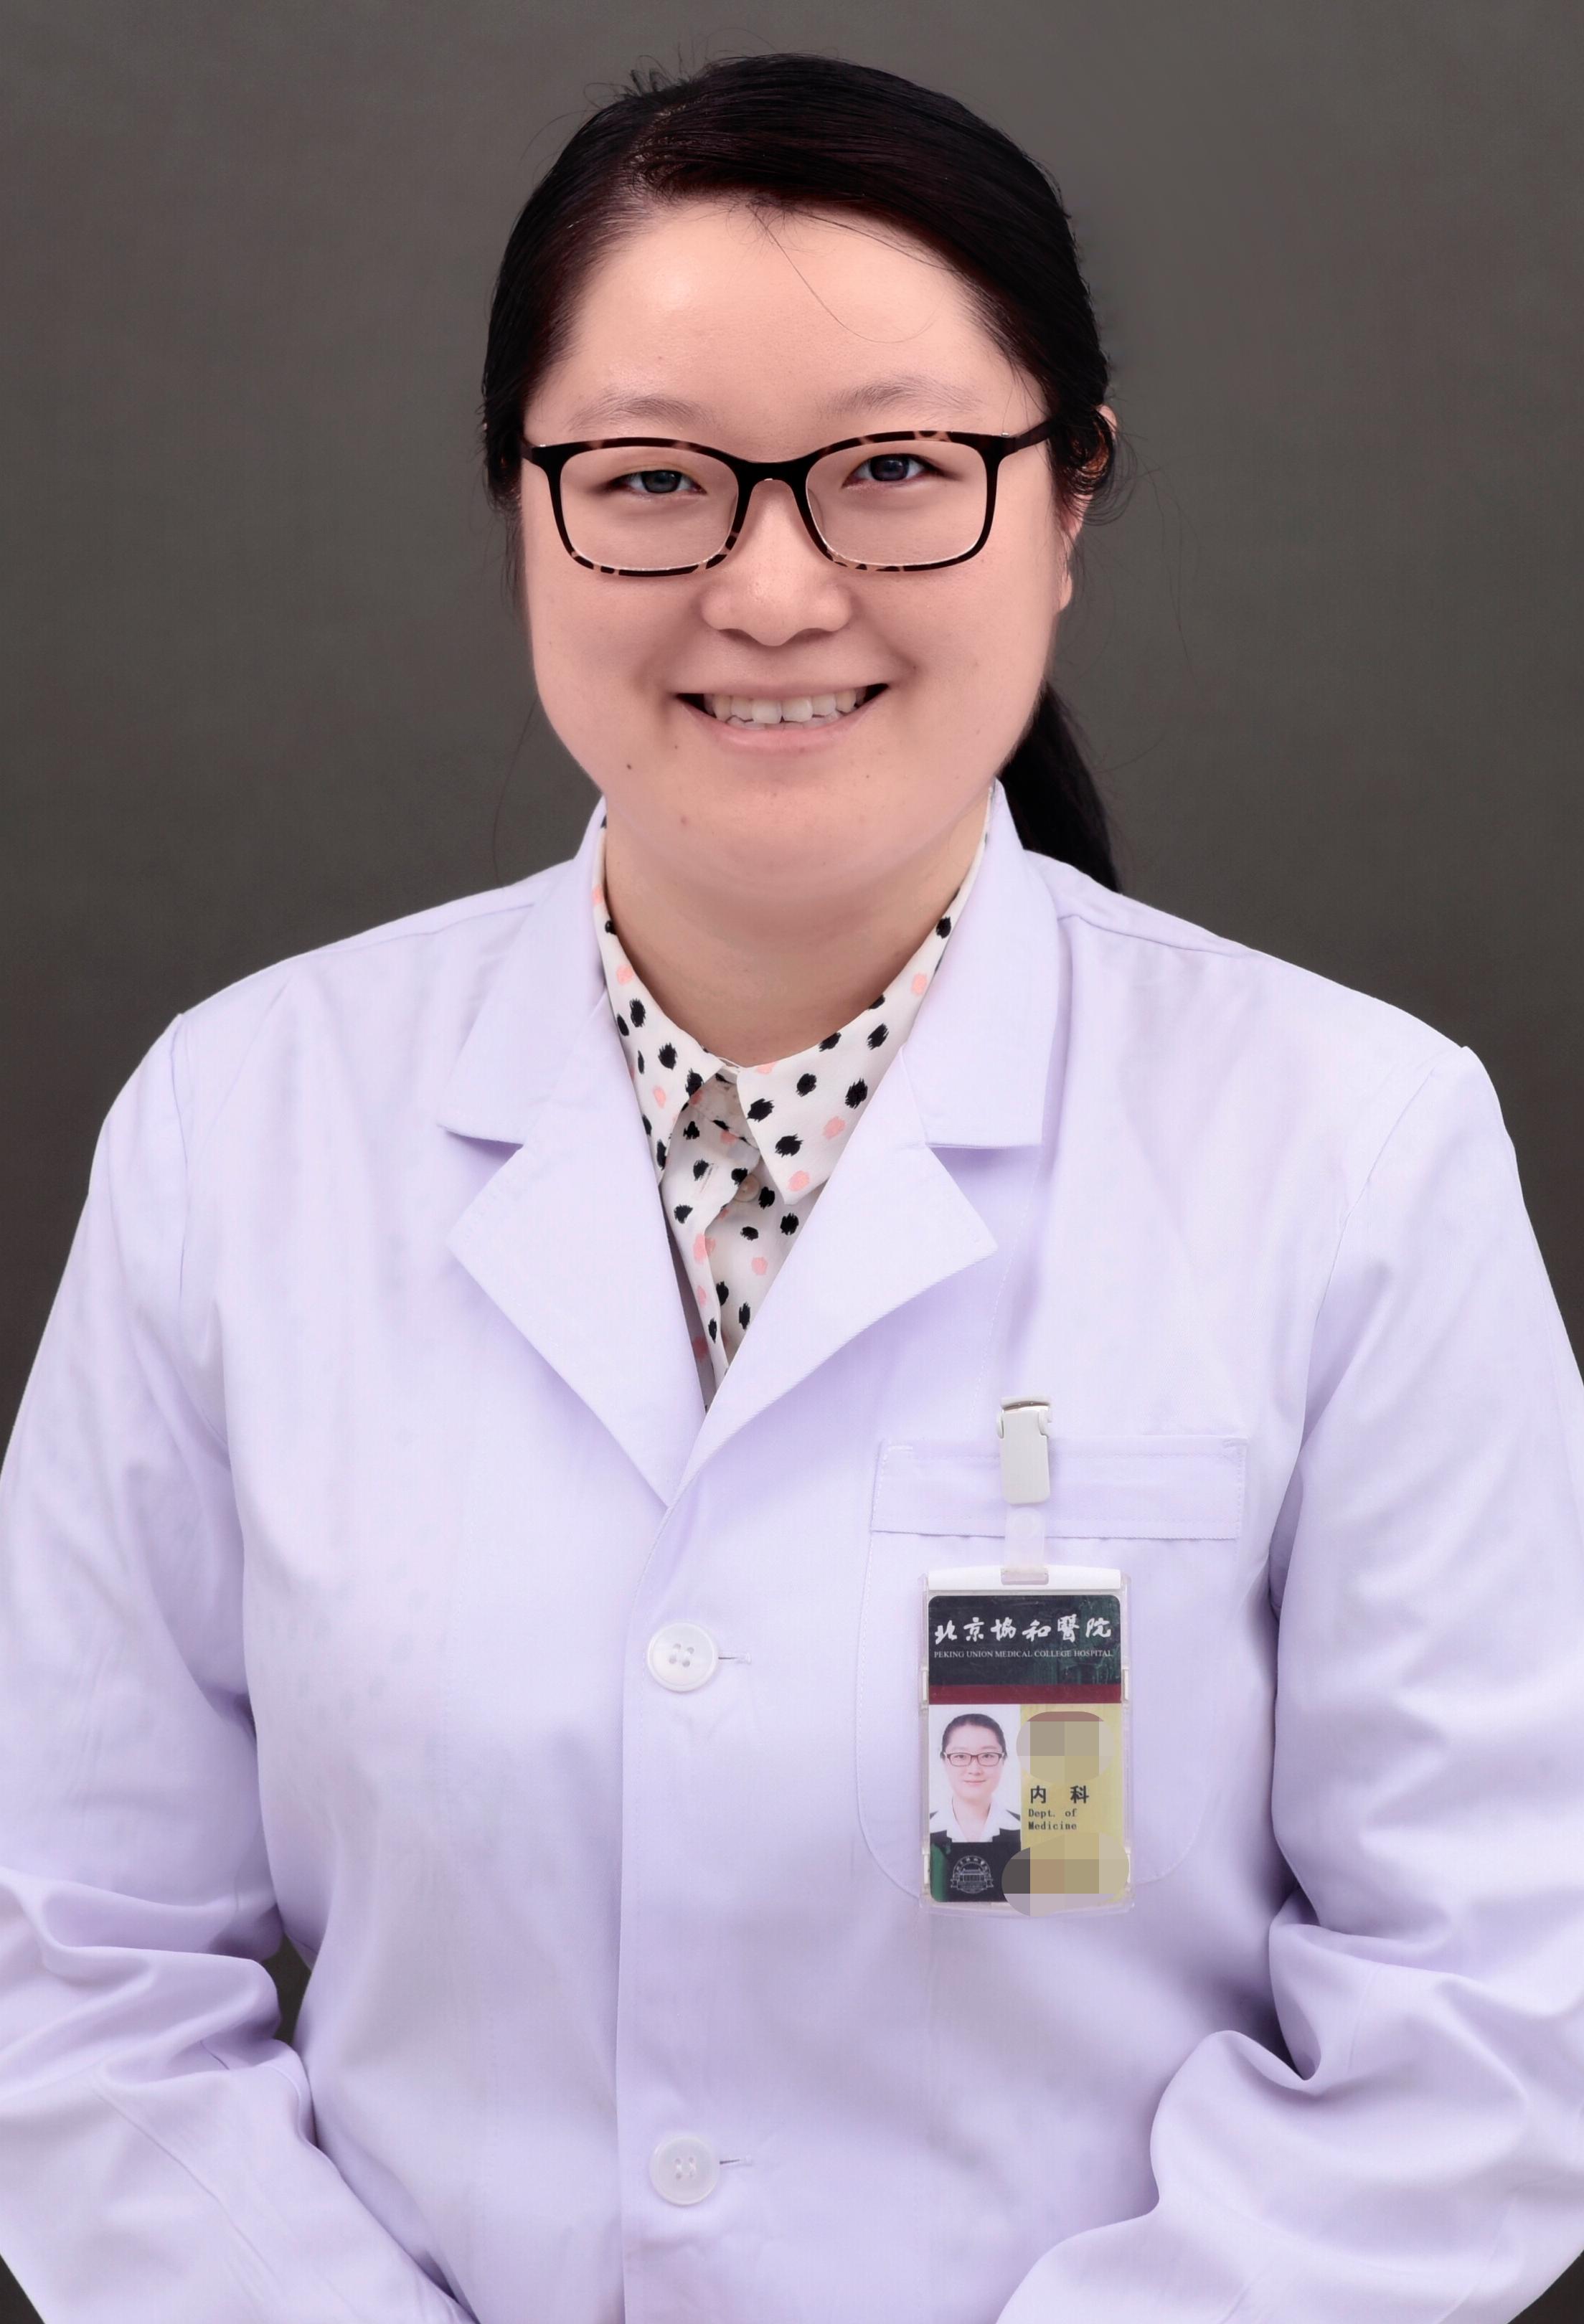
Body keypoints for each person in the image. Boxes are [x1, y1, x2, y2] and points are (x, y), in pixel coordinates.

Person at [1, 46, 1582, 2324]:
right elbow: (69, 1964)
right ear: (519, 501)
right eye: (651, 478)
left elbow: (1494, 2015)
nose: (770, 586)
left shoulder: (1354, 1150)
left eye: (896, 472)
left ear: (1068, 502)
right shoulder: (238, 1128)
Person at [929, 1714, 1023, 1902]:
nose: (974, 1769)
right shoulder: (923, 1829)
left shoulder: (1026, 1829)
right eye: (960, 1756)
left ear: (1003, 1760)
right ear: (944, 1761)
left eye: (987, 1756)